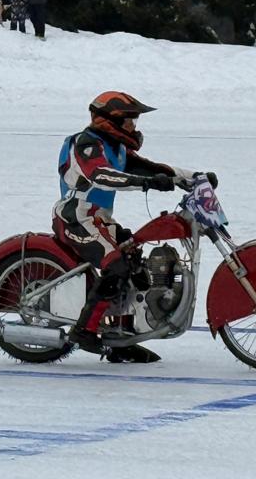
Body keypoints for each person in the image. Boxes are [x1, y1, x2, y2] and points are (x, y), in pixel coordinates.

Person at [54, 92, 216, 363]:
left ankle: (122, 339)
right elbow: (102, 176)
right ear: (111, 120)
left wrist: (194, 178)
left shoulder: (115, 148)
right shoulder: (87, 144)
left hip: (99, 220)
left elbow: (151, 168)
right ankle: (84, 330)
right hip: (76, 219)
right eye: (129, 121)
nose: (134, 128)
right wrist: (145, 184)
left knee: (136, 266)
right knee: (117, 265)